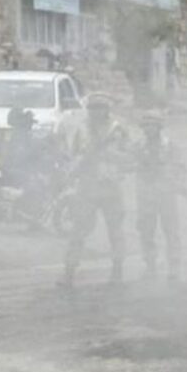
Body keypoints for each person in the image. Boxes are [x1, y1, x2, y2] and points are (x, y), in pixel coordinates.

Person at [58, 93, 129, 290]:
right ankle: (69, 273)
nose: (96, 111)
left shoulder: (118, 129)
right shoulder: (81, 129)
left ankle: (117, 271)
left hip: (110, 186)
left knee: (115, 231)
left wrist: (111, 156)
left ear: (107, 110)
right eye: (92, 108)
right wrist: (75, 170)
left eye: (100, 108)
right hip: (87, 185)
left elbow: (130, 157)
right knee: (78, 231)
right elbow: (73, 155)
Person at [134, 111, 185, 282]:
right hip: (146, 195)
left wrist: (179, 182)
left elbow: (181, 168)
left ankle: (174, 266)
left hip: (166, 195)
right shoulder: (138, 146)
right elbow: (130, 164)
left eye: (152, 125)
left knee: (171, 232)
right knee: (146, 232)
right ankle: (150, 265)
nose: (148, 129)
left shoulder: (169, 146)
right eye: (145, 126)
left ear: (159, 127)